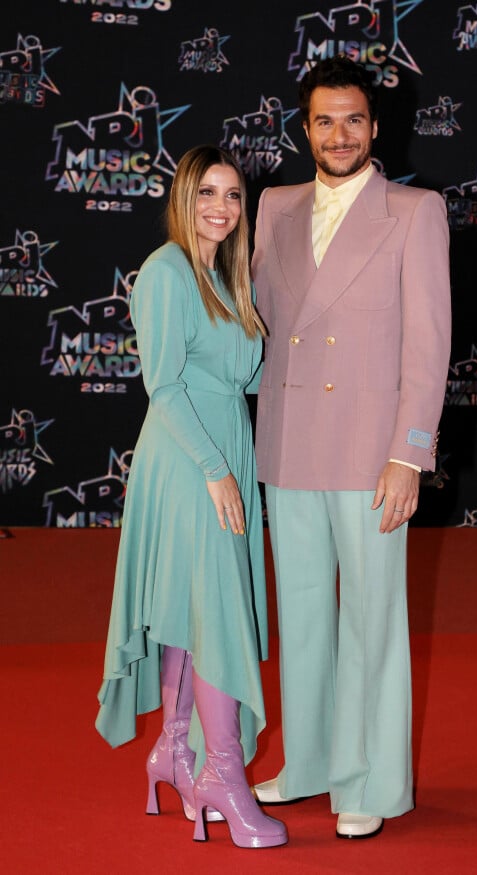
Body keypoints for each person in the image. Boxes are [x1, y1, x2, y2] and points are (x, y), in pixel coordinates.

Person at [251, 56, 451, 839]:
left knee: (371, 618)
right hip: (290, 441)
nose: (340, 134)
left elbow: (429, 343)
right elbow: (253, 317)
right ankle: (308, 760)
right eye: (324, 120)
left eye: (354, 120)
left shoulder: (415, 210)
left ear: (376, 127)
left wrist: (409, 452)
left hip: (372, 455)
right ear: (305, 127)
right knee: (301, 615)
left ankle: (371, 777)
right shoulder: (272, 206)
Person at [96, 145, 288, 850]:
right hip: (188, 463)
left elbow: (245, 378)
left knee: (190, 612)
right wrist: (214, 468)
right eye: (208, 192)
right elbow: (164, 384)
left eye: (233, 195)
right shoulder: (166, 271)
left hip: (224, 453)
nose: (221, 207)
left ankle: (173, 752)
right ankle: (223, 777)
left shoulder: (225, 273)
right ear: (183, 196)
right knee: (215, 620)